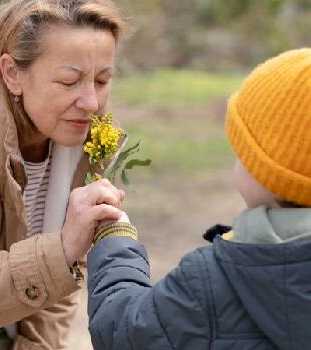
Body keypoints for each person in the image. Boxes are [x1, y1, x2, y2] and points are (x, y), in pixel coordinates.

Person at [86, 49, 311, 350]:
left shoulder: (210, 285)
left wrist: (115, 238)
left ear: (270, 174)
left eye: (243, 151)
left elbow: (124, 331)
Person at [0, 0, 126, 349]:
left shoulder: (79, 138)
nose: (92, 102)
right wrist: (62, 249)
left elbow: (58, 286)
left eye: (102, 79)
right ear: (12, 74)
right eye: (70, 81)